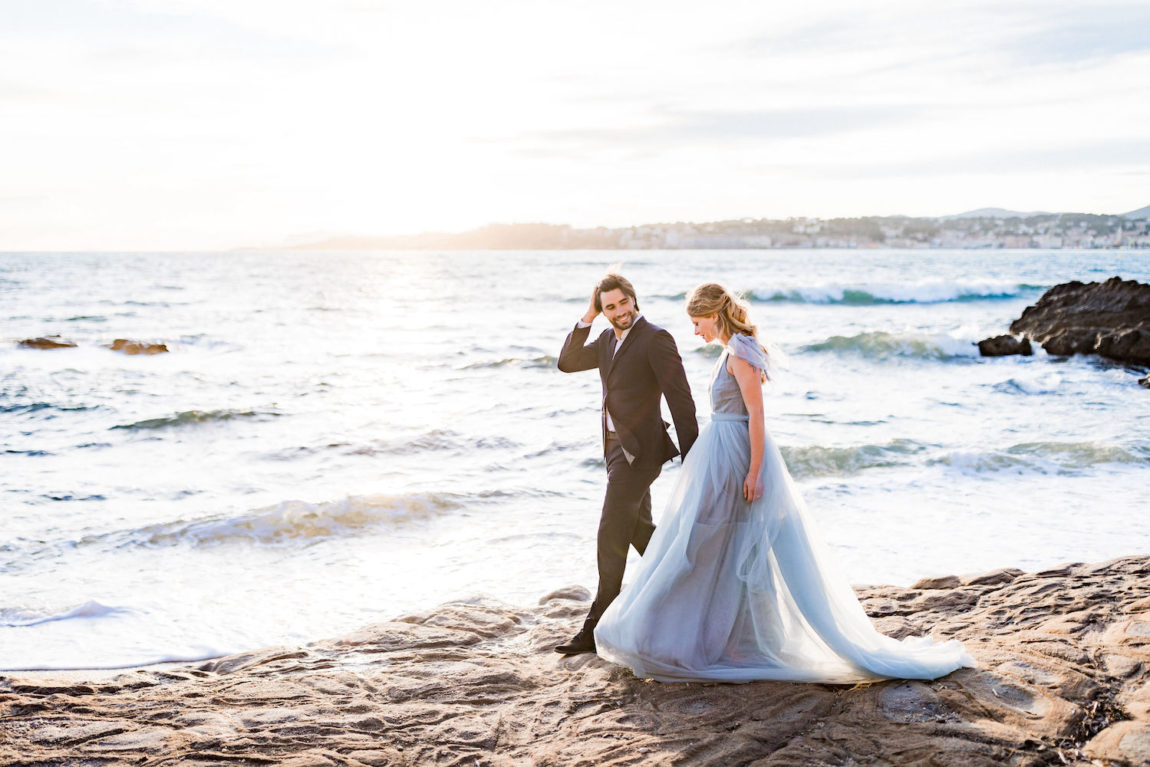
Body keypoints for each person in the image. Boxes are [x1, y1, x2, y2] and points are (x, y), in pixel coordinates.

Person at [593, 283, 976, 682]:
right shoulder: (731, 350)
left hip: (737, 458)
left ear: (712, 315)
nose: (695, 332)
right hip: (722, 456)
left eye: (697, 323)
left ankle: (716, 639)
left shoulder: (740, 351)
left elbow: (756, 415)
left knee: (711, 544)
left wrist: (755, 471)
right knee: (720, 546)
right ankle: (723, 638)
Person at [555, 273, 699, 655]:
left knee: (610, 532)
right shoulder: (604, 339)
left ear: (634, 299)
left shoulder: (655, 338)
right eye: (609, 307)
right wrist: (587, 316)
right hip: (614, 450)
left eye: (622, 303)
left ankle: (595, 626)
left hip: (642, 452)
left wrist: (694, 459)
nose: (618, 312)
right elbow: (566, 362)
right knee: (639, 530)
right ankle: (689, 584)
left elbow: (681, 402)